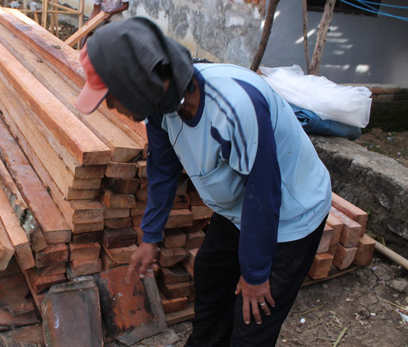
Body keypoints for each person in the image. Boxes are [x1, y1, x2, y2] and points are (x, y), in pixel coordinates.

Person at [75, 17, 332, 347]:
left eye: (111, 97)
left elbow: (264, 193)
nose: (110, 106)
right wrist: (150, 237)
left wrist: (256, 276)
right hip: (241, 208)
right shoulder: (161, 106)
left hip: (290, 215)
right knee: (212, 275)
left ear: (136, 82)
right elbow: (163, 171)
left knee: (253, 317)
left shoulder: (234, 107)